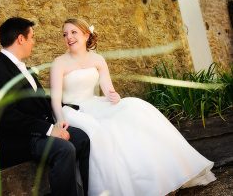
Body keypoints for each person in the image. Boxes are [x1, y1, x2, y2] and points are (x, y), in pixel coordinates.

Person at [50, 18, 216, 196]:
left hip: (95, 103)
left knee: (137, 108)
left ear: (86, 34)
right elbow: (55, 99)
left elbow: (107, 87)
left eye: (73, 32)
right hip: (72, 110)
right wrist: (60, 119)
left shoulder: (97, 59)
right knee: (101, 130)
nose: (69, 37)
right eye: (65, 34)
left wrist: (113, 95)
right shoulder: (59, 63)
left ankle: (160, 177)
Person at [0, 17, 90, 196]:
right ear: (20, 39)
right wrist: (49, 129)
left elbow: (39, 100)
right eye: (32, 37)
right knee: (64, 149)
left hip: (37, 130)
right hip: (17, 140)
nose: (34, 42)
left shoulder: (27, 69)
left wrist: (66, 111)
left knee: (82, 138)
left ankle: (85, 191)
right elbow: (5, 116)